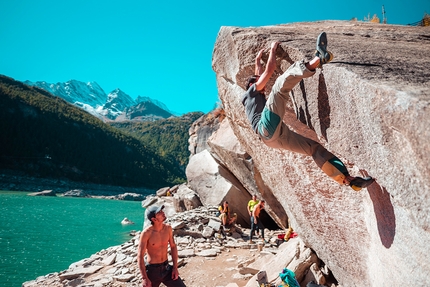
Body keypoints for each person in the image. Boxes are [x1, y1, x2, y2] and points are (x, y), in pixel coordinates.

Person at [242, 32, 375, 191]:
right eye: (257, 82)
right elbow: (267, 73)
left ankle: (347, 180)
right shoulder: (250, 93)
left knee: (314, 148)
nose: (261, 82)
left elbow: (259, 75)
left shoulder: (252, 96)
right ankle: (318, 59)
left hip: (271, 139)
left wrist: (258, 61)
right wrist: (272, 49)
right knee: (279, 87)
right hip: (265, 127)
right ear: (252, 86)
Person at [137, 205, 186, 287]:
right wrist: (144, 278)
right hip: (152, 271)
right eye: (159, 212)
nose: (163, 212)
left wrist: (175, 268)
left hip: (166, 268)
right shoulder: (146, 233)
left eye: (161, 211)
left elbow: (173, 246)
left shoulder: (168, 228)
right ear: (154, 219)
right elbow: (140, 256)